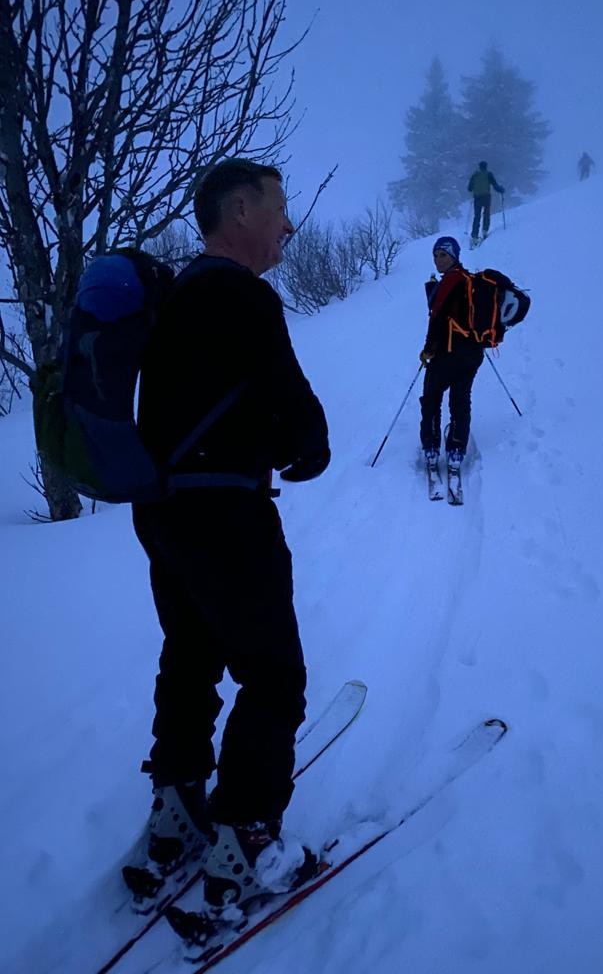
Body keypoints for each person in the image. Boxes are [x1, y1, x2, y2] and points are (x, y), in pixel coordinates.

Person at [127, 159, 330, 915]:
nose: (289, 224)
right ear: (237, 210)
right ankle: (245, 842)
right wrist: (308, 445)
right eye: (279, 208)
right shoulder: (244, 297)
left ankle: (177, 815)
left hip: (163, 514)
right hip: (228, 517)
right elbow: (299, 418)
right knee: (273, 675)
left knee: (190, 655)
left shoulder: (174, 297)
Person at [419, 236, 484, 467]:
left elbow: (436, 320)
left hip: (447, 353)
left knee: (431, 398)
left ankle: (431, 447)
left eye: (443, 255)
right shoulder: (470, 279)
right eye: (435, 255)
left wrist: (428, 350)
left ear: (454, 256)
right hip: (472, 354)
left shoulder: (450, 281)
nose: (438, 260)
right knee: (460, 399)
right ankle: (456, 449)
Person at [467, 161, 504, 246]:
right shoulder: (489, 174)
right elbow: (495, 186)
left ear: (479, 167)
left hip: (477, 197)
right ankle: (485, 231)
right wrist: (501, 190)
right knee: (486, 213)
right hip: (486, 197)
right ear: (486, 167)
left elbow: (469, 188)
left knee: (477, 216)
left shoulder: (475, 175)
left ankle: (474, 236)